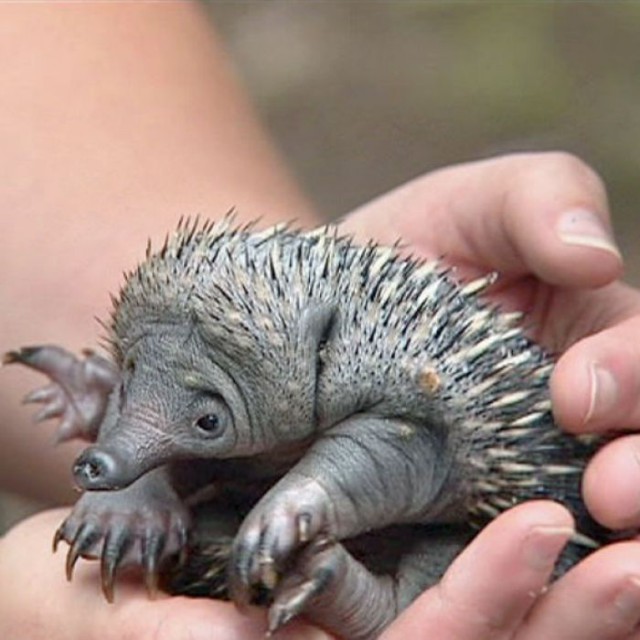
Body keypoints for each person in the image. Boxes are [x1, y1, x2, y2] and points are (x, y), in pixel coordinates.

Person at [1, 4, 639, 639]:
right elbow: (169, 393)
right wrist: (133, 473)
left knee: (451, 570)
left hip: (436, 522)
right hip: (241, 501)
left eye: (207, 415)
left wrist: (301, 506)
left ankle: (350, 595)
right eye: (128, 380)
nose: (117, 449)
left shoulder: (392, 387)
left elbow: (377, 448)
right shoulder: (206, 362)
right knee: (163, 468)